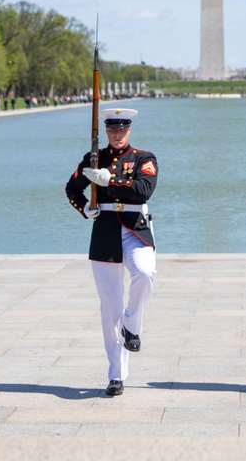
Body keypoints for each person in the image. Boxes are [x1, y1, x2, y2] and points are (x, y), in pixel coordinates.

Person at [64, 107, 159, 397]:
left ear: (129, 130)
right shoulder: (93, 159)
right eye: (112, 130)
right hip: (104, 230)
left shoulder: (144, 158)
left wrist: (110, 182)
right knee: (110, 308)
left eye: (122, 129)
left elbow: (143, 190)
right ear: (106, 131)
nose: (117, 134)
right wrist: (85, 207)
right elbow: (71, 189)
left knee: (144, 272)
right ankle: (116, 375)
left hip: (134, 227)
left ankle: (133, 325)